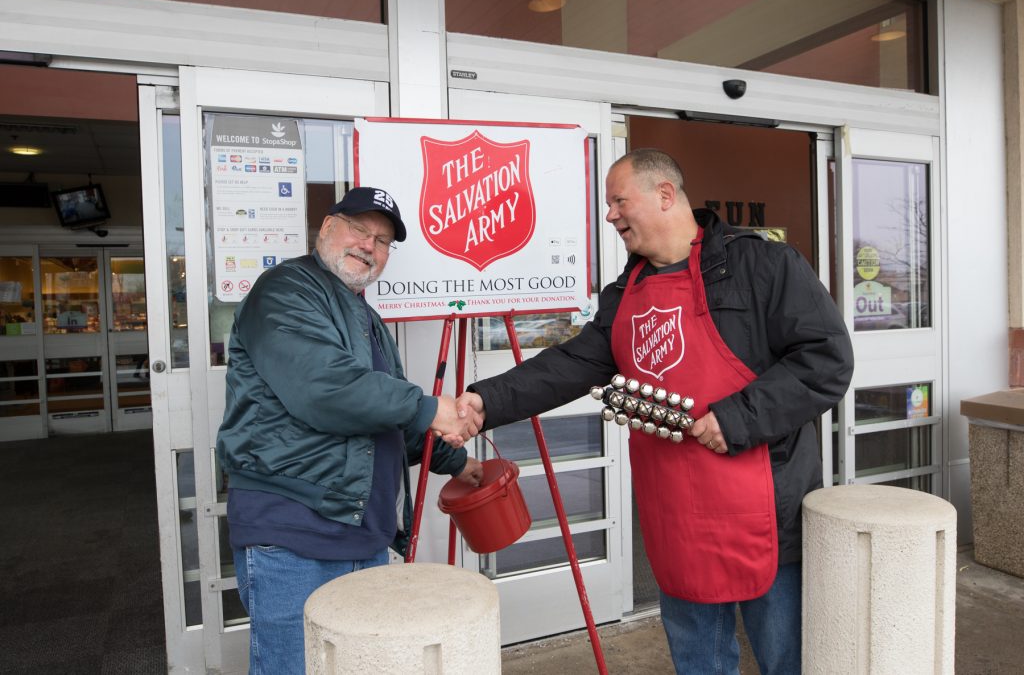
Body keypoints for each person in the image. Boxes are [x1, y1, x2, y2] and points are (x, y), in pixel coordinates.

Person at [459, 149, 853, 674]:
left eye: (619, 201)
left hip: (766, 512)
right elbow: (571, 363)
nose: (610, 215)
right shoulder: (625, 293)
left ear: (665, 194)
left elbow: (826, 360)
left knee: (785, 660)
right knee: (699, 661)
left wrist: (735, 418)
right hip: (676, 515)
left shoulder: (764, 265)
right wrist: (483, 401)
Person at [216, 186, 485, 675]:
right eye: (359, 230)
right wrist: (429, 408)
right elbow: (324, 389)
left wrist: (457, 462)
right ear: (327, 227)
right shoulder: (283, 291)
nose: (369, 246)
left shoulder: (366, 319)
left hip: (362, 534)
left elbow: (385, 418)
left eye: (382, 241)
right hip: (294, 534)